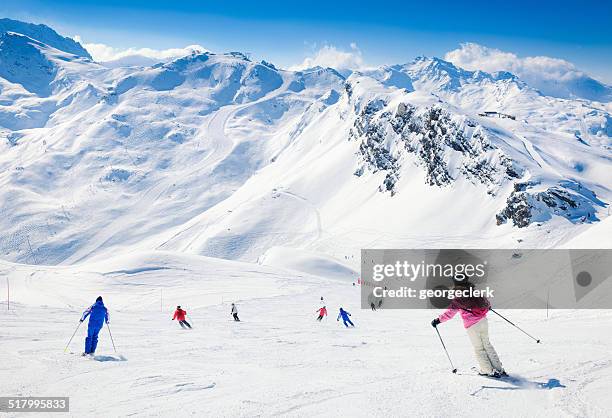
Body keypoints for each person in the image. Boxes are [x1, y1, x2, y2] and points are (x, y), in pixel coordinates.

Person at [431, 281, 506, 378]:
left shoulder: (458, 297)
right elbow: (486, 304)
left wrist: (438, 320)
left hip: (472, 325)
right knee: (487, 345)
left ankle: (487, 370)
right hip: (483, 321)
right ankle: (499, 369)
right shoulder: (474, 291)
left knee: (479, 348)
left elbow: (450, 313)